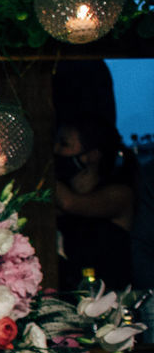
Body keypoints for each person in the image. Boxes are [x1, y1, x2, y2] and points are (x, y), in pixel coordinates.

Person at [54, 119, 137, 294]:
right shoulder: (60, 197)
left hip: (112, 301)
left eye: (64, 144)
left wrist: (42, 170)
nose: (56, 150)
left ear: (92, 155)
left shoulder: (119, 194)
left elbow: (70, 203)